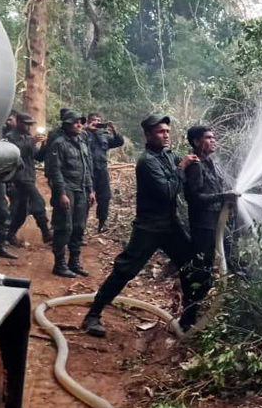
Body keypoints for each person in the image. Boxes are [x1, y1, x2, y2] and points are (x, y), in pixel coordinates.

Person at [81, 114, 202, 337]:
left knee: (190, 265)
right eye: (160, 132)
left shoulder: (168, 155)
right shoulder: (147, 162)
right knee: (125, 269)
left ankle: (188, 319)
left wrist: (194, 159)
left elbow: (183, 174)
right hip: (150, 226)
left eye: (167, 131)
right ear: (148, 135)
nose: (166, 135)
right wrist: (182, 167)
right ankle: (93, 315)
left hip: (170, 224)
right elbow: (167, 191)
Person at [183, 126, 238, 315]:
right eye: (208, 137)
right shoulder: (195, 165)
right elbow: (194, 198)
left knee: (225, 262)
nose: (213, 140)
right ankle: (189, 317)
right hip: (203, 226)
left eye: (214, 137)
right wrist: (222, 197)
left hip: (216, 223)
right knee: (202, 272)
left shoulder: (211, 162)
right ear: (196, 142)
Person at [47, 111, 95, 278]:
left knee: (79, 227)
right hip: (66, 189)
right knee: (64, 227)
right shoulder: (58, 144)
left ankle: (74, 262)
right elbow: (55, 171)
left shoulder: (82, 143)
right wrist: (61, 193)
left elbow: (86, 168)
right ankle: (59, 264)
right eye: (76, 122)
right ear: (67, 125)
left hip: (81, 189)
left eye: (81, 122)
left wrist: (91, 189)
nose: (80, 125)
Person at [5, 113, 52, 245]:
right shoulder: (10, 137)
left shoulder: (27, 136)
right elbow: (16, 153)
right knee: (38, 202)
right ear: (18, 122)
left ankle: (10, 235)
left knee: (22, 211)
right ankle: (46, 233)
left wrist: (44, 144)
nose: (28, 127)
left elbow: (38, 157)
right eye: (26, 124)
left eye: (30, 124)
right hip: (18, 178)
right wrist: (32, 142)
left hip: (29, 177)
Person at [83, 112, 124, 233]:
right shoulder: (83, 134)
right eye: (94, 120)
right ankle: (81, 225)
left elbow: (119, 142)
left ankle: (101, 224)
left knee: (105, 197)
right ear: (88, 121)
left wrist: (114, 130)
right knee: (85, 198)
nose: (96, 122)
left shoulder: (104, 135)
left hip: (102, 170)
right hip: (87, 171)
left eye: (99, 120)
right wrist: (88, 129)